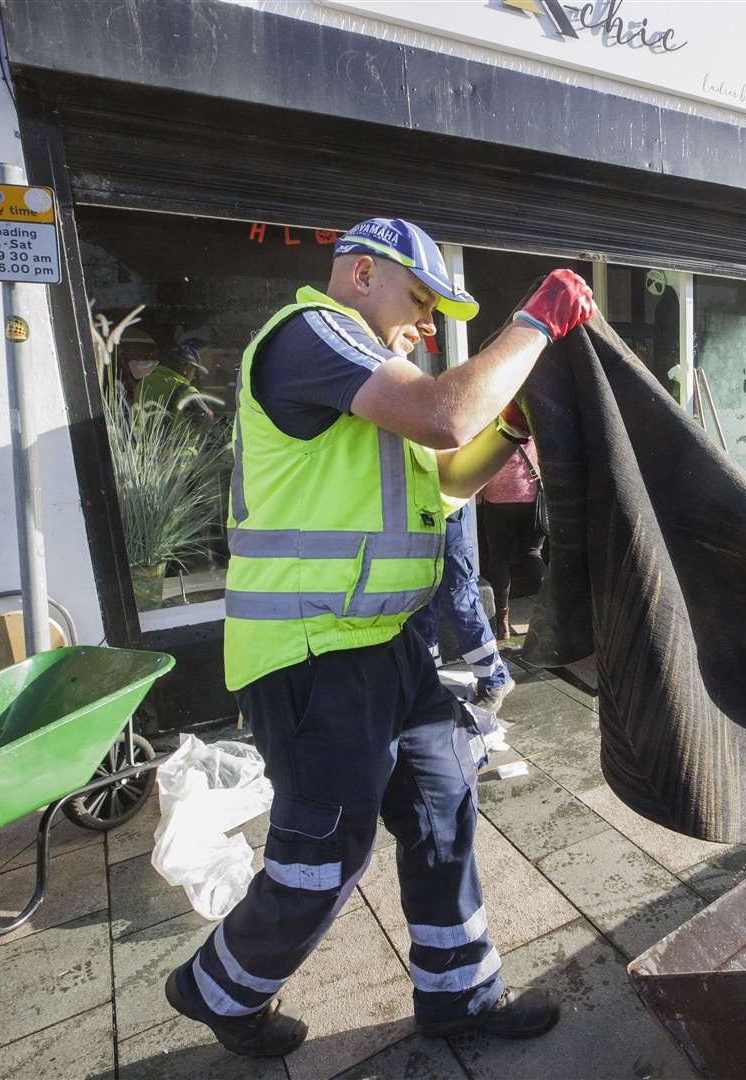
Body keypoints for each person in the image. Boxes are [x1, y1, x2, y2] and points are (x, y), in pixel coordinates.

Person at [163, 217, 596, 1057]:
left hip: (391, 647)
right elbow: (442, 416)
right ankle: (215, 988)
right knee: (324, 856)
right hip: (311, 654)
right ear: (361, 274)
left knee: (442, 809)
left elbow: (445, 474)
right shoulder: (310, 334)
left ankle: (460, 996)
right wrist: (536, 322)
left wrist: (505, 431)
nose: (429, 323)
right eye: (421, 298)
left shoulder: (367, 375)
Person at [406, 495, 515, 712]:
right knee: (421, 602)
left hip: (446, 515)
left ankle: (495, 679)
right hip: (416, 516)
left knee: (460, 600)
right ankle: (429, 682)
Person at [477, 443, 546, 640]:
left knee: (499, 558)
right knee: (533, 554)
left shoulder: (494, 417)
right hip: (532, 493)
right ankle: (552, 613)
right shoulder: (533, 417)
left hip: (498, 495)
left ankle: (502, 624)